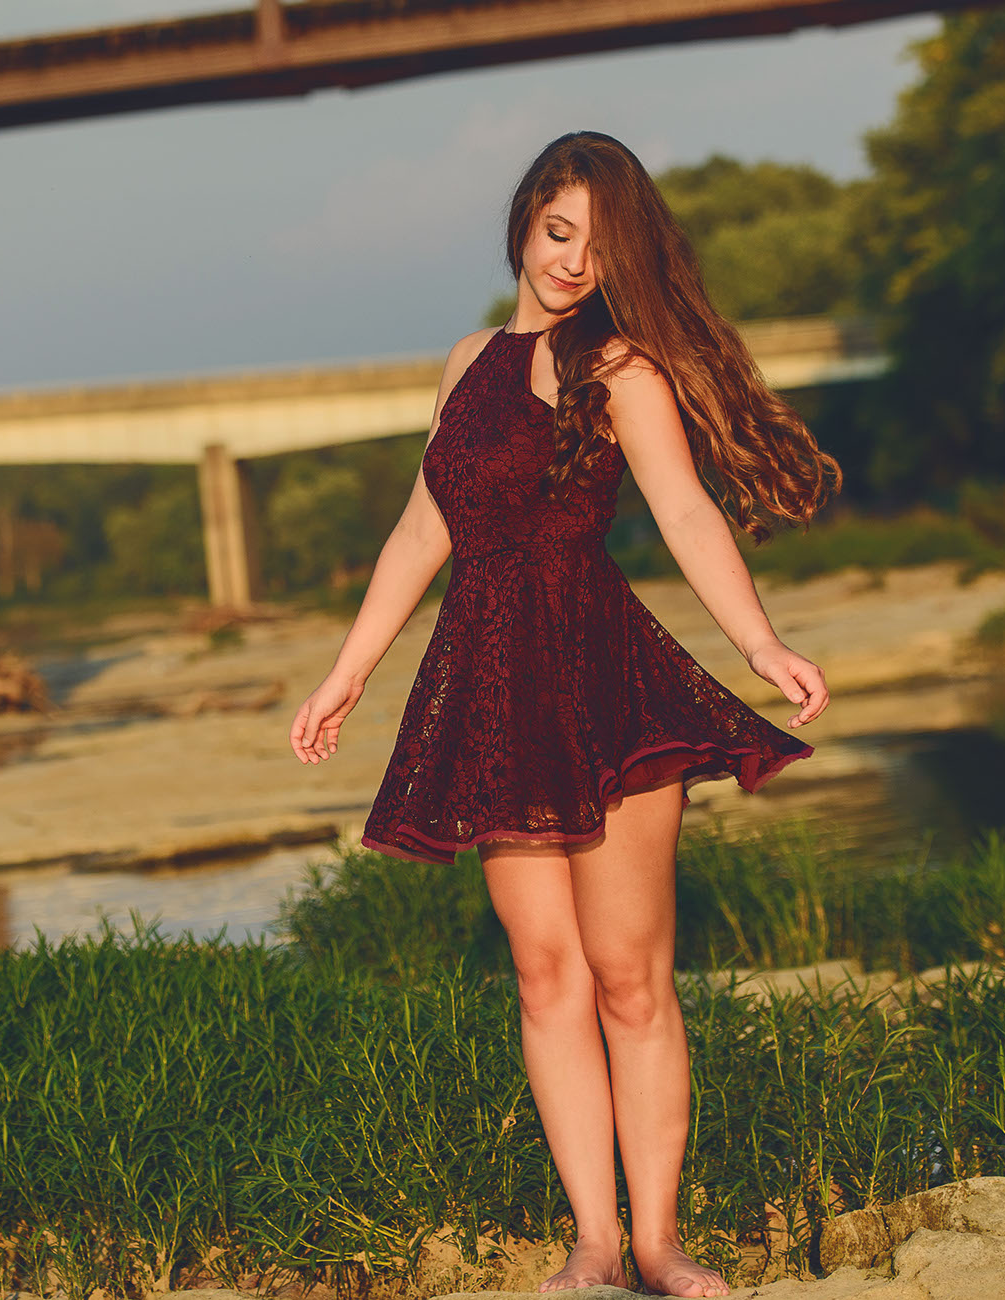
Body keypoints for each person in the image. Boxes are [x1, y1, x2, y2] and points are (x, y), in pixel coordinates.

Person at [289, 131, 837, 1297]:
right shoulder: (466, 362)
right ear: (524, 222)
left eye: (596, 244)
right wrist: (345, 674)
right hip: (492, 691)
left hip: (604, 681)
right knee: (546, 975)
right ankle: (594, 1241)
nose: (572, 261)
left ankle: (659, 1242)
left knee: (628, 974)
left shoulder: (622, 367)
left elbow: (682, 512)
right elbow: (422, 529)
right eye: (556, 232)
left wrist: (759, 643)